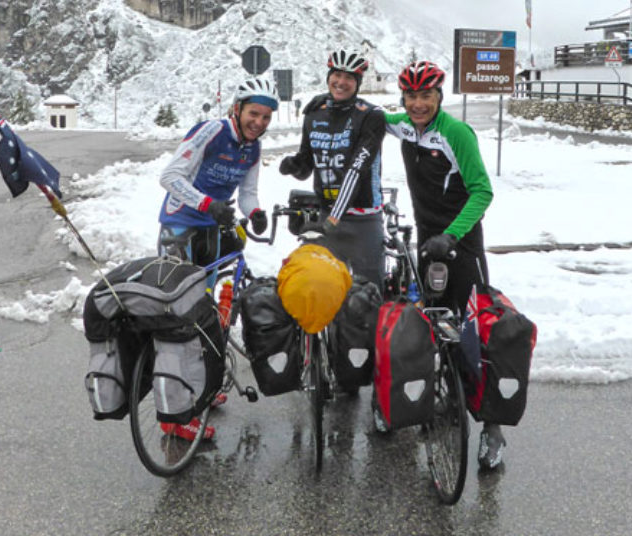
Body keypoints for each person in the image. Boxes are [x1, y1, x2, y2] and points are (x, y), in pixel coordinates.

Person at [384, 59, 505, 471]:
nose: (418, 104)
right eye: (412, 96)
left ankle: (492, 428)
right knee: (431, 325)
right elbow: (375, 118)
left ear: (440, 96)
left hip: (460, 244)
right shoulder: (404, 125)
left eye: (426, 95)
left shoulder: (456, 133)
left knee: (474, 334)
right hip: (426, 243)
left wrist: (451, 236)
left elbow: (482, 192)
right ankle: (439, 399)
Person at [156, 76, 278, 432]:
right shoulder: (212, 131)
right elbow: (170, 177)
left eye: (267, 117)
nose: (260, 122)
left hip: (213, 227)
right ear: (238, 109)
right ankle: (173, 417)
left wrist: (255, 212)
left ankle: (198, 385)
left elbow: (248, 192)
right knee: (178, 316)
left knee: (204, 312)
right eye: (254, 113)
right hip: (180, 227)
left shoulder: (253, 149)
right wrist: (207, 203)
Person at [279, 48, 386, 294]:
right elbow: (307, 165)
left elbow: (355, 171)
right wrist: (293, 165)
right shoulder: (314, 113)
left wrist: (332, 219)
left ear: (357, 83)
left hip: (363, 217)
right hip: (326, 214)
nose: (341, 82)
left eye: (349, 77)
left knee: (368, 293)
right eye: (336, 74)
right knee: (320, 291)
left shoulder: (371, 116)